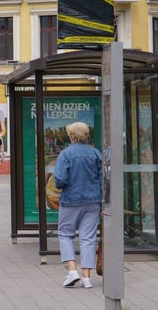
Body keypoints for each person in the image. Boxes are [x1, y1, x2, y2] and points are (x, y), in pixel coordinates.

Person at [53, 121, 102, 289]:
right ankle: (87, 278)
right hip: (93, 201)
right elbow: (104, 178)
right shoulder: (96, 153)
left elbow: (59, 179)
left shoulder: (65, 154)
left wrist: (61, 186)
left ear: (72, 136)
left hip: (71, 200)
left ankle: (72, 271)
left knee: (65, 234)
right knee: (88, 238)